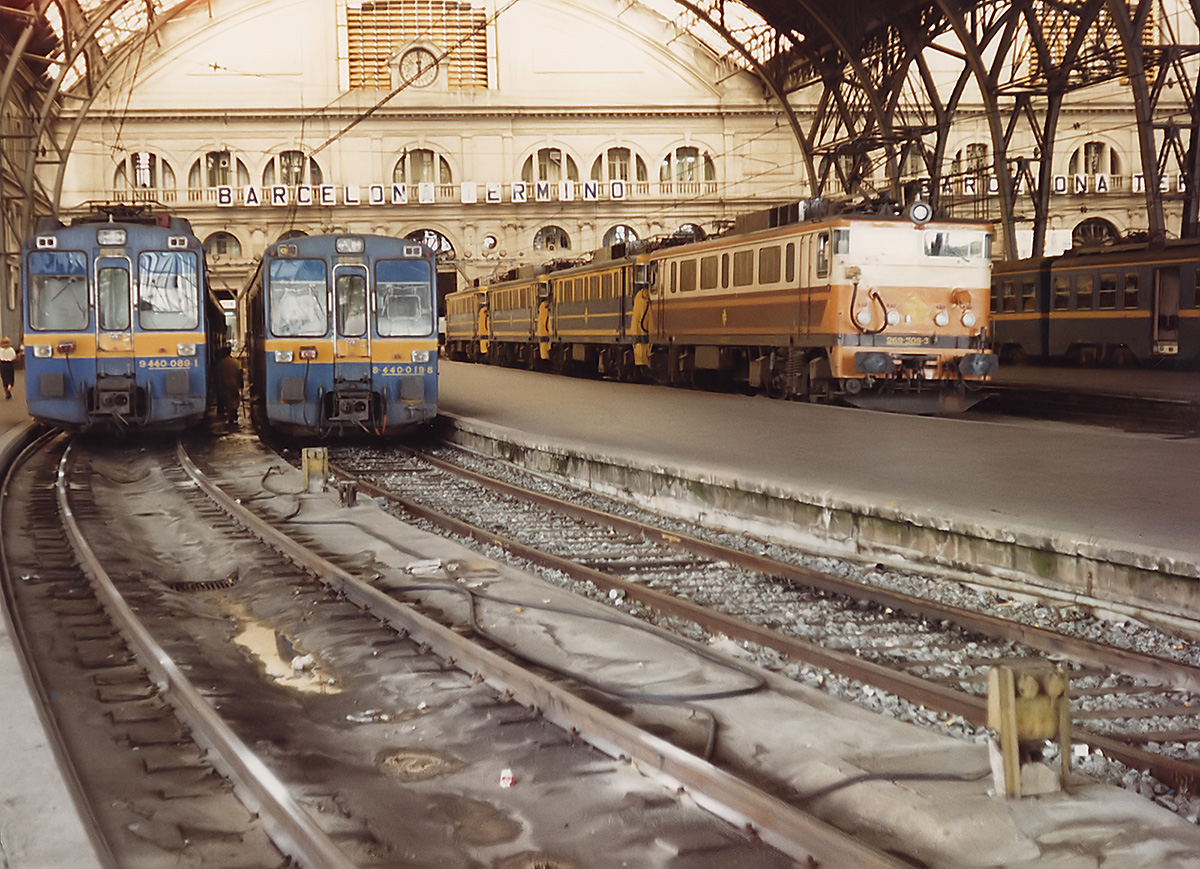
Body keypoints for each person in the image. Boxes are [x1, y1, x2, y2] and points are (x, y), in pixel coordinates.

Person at [213, 345, 243, 424]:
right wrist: (241, 383)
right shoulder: (235, 362)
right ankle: (234, 409)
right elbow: (239, 373)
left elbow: (217, 376)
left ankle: (230, 415)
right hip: (234, 384)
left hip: (224, 385)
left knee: (227, 400)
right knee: (235, 398)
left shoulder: (220, 364)